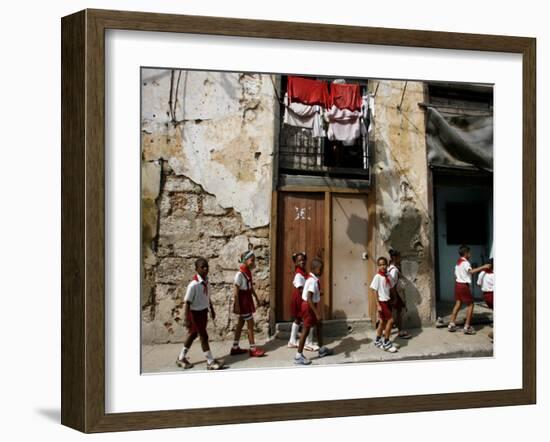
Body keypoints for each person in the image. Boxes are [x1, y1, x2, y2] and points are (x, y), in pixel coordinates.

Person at [176, 257, 223, 370]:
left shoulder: (206, 282)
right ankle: (210, 361)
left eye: (207, 266)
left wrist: (212, 309)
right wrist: (186, 318)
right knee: (203, 336)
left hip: (203, 313)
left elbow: (207, 297)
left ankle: (181, 357)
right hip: (194, 314)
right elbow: (187, 302)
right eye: (202, 267)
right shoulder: (193, 285)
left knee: (193, 335)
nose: (205, 269)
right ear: (196, 269)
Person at [294, 258, 333, 365]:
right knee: (306, 330)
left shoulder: (313, 279)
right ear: (314, 269)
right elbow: (309, 298)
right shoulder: (312, 281)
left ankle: (321, 349)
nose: (321, 271)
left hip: (311, 305)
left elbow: (311, 295)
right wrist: (317, 313)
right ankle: (298, 356)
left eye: (322, 269)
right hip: (308, 307)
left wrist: (318, 294)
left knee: (319, 325)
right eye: (320, 269)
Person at [230, 250, 266, 357]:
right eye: (252, 260)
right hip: (243, 301)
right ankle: (253, 348)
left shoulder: (247, 273)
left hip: (247, 298)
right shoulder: (240, 274)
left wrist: (256, 298)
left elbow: (250, 288)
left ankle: (235, 347)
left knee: (240, 324)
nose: (253, 262)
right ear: (245, 261)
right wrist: (237, 304)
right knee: (250, 324)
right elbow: (236, 290)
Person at [448, 245, 490, 335]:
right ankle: (467, 327)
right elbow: (470, 271)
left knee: (458, 303)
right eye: (469, 253)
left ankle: (451, 324)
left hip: (457, 285)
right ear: (466, 253)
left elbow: (455, 275)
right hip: (463, 286)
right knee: (471, 304)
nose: (470, 254)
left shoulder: (458, 263)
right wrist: (483, 267)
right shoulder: (466, 263)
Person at [287, 252, 318, 350]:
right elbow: (300, 289)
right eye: (299, 261)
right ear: (295, 263)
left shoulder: (304, 272)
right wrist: (309, 296)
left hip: (302, 298)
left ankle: (292, 340)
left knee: (298, 319)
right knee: (307, 319)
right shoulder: (298, 275)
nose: (302, 262)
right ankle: (308, 342)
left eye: (303, 260)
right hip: (300, 298)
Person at [370, 256, 398, 353]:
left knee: (382, 322)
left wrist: (395, 298)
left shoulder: (388, 276)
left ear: (387, 265)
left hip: (388, 301)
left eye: (384, 264)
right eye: (380, 265)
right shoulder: (377, 277)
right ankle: (386, 342)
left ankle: (377, 340)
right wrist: (377, 304)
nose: (383, 266)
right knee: (391, 320)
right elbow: (374, 290)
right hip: (382, 302)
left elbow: (392, 287)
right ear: (378, 266)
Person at [388, 249, 412, 340]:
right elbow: (392, 284)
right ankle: (400, 331)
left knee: (395, 313)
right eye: (399, 257)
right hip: (396, 294)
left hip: (394, 294)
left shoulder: (390, 267)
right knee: (398, 313)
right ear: (395, 258)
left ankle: (389, 330)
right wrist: (394, 297)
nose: (400, 259)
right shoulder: (394, 270)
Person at [477, 258, 494, 342]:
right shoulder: (494, 275)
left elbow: (478, 284)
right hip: (492, 294)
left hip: (486, 296)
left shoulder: (482, 273)